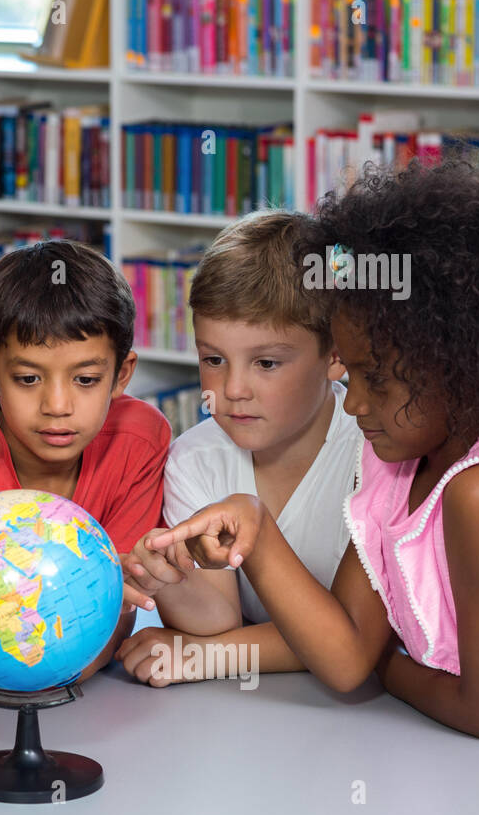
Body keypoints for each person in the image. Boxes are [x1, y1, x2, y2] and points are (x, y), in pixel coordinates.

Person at [150, 162, 479, 739]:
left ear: (458, 366)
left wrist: (386, 663)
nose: (352, 403)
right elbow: (345, 659)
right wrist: (259, 534)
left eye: (376, 380)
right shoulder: (395, 464)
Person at [115, 210, 362, 686]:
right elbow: (218, 621)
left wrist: (206, 657)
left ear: (335, 356)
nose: (232, 390)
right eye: (213, 360)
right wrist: (168, 584)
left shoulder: (372, 453)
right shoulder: (193, 460)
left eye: (266, 362)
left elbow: (359, 642)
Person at [0, 239, 171, 678]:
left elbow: (119, 609)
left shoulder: (139, 442)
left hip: (82, 691)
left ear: (122, 375)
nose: (57, 405)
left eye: (86, 379)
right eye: (28, 378)